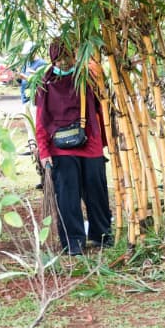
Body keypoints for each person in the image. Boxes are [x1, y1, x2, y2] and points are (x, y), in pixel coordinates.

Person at [34, 41, 112, 255]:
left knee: (97, 192)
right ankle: (73, 242)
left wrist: (107, 141)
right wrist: (44, 151)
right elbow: (41, 120)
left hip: (91, 143)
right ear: (53, 59)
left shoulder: (87, 77)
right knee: (68, 196)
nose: (65, 62)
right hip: (60, 148)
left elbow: (102, 109)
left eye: (68, 57)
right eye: (60, 58)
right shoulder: (46, 83)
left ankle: (102, 235)